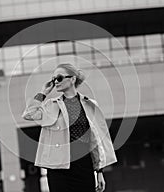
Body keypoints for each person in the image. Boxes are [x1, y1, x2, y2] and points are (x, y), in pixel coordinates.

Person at [22, 63, 117, 192]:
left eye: (59, 78)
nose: (56, 82)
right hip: (58, 168)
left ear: (72, 79)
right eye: (54, 79)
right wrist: (43, 93)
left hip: (84, 165)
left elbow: (95, 141)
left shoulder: (90, 105)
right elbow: (29, 114)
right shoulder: (50, 105)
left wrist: (99, 171)